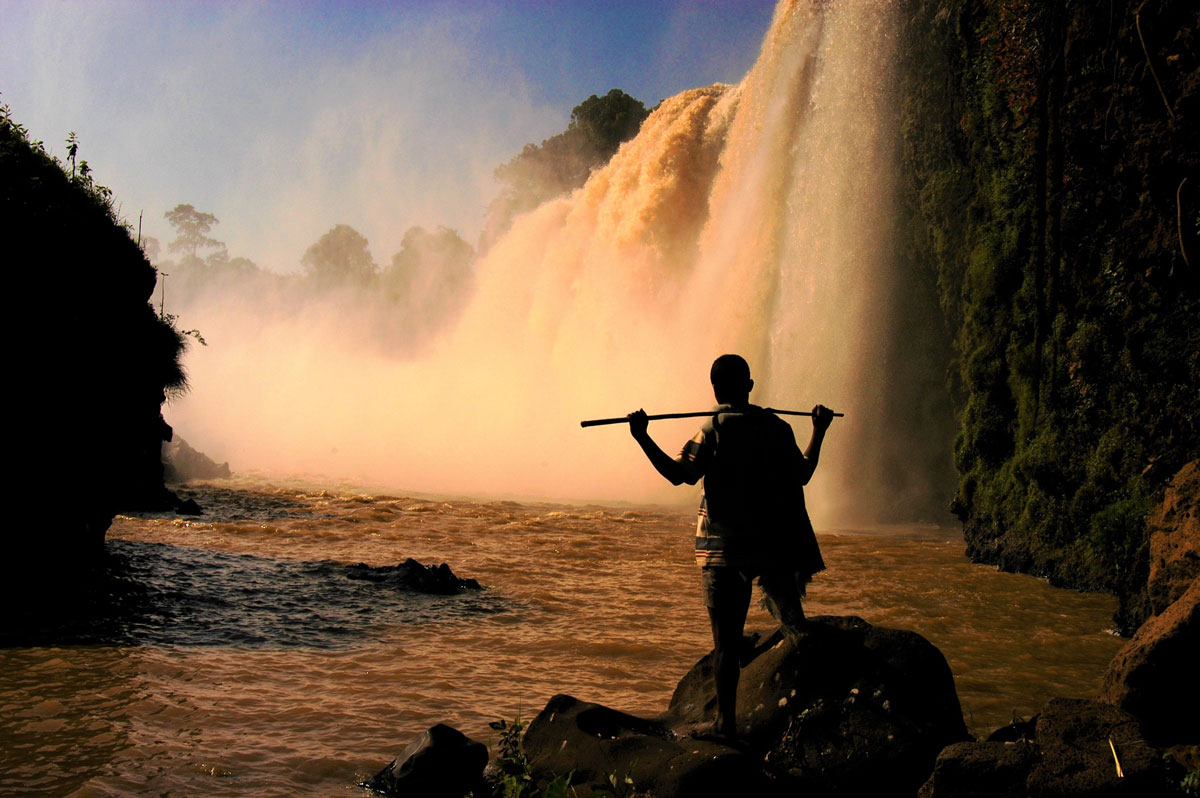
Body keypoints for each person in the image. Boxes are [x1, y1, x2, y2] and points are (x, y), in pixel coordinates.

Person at [626, 354, 833, 741]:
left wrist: (642, 436)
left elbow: (678, 475)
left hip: (723, 551)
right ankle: (813, 708)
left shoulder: (714, 428)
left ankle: (726, 724)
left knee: (726, 644)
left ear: (716, 390)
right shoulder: (778, 428)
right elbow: (802, 474)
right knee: (795, 627)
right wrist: (819, 430)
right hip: (772, 549)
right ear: (750, 386)